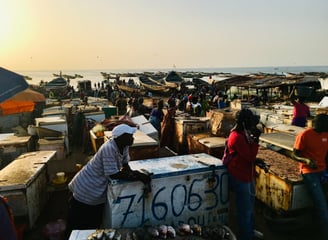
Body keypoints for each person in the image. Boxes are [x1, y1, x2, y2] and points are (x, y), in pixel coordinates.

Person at [66, 124, 151, 235]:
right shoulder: (109, 148)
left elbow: (125, 165)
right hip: (86, 187)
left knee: (91, 223)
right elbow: (113, 174)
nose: (133, 138)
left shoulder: (124, 146)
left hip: (96, 187)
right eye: (130, 135)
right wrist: (138, 176)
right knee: (80, 224)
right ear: (121, 137)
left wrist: (136, 174)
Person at [225, 109, 263, 240]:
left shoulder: (243, 133)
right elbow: (249, 155)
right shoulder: (236, 137)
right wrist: (257, 140)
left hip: (246, 173)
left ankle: (250, 230)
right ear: (245, 122)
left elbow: (247, 154)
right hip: (240, 176)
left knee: (250, 206)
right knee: (245, 210)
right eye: (251, 120)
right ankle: (246, 235)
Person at [291, 114, 328, 239]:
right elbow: (294, 154)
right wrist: (306, 161)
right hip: (309, 172)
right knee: (321, 205)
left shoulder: (326, 134)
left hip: (323, 170)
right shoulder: (304, 135)